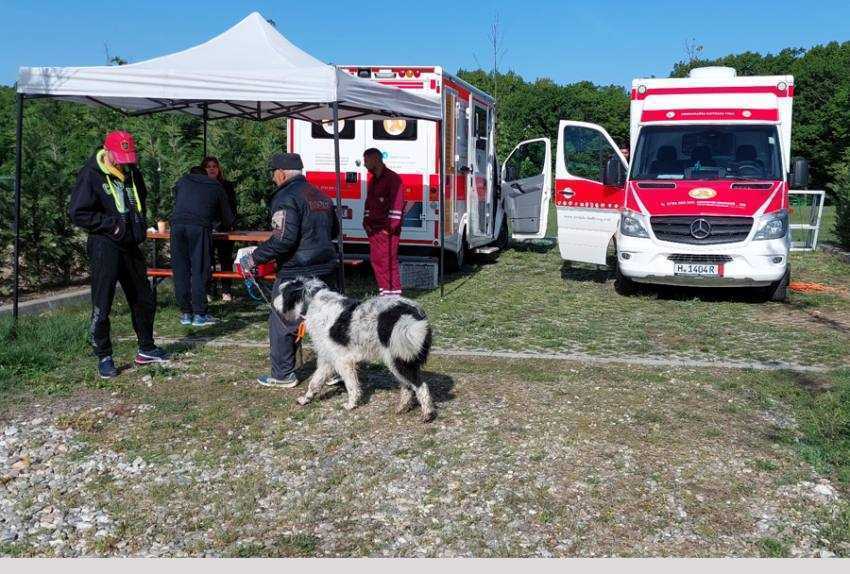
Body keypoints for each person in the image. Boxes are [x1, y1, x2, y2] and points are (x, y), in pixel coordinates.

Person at [69, 131, 169, 379]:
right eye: (121, 157)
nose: (125, 161)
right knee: (103, 302)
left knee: (143, 297)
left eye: (129, 156)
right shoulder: (91, 174)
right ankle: (104, 356)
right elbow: (78, 212)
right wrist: (111, 225)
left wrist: (138, 224)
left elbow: (141, 198)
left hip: (131, 244)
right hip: (105, 245)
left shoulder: (133, 172)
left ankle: (146, 347)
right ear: (108, 151)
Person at [238, 153, 340, 388]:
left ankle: (283, 374)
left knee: (283, 322)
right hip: (325, 268)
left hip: (296, 270)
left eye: (274, 174)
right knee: (325, 321)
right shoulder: (320, 195)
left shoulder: (285, 197)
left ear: (281, 173)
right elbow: (333, 231)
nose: (274, 179)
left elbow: (283, 239)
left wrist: (254, 257)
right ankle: (333, 372)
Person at [170, 165, 235, 327]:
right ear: (205, 175)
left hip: (176, 226)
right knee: (199, 269)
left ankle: (185, 312)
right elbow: (227, 216)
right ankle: (200, 314)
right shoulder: (214, 185)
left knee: (180, 269)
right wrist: (226, 224)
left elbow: (177, 202)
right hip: (199, 227)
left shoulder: (182, 181)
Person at [362, 148, 404, 296]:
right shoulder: (373, 180)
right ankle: (384, 293)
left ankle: (393, 295)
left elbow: (397, 206)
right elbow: (369, 203)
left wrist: (389, 229)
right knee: (377, 262)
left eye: (366, 160)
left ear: (376, 159)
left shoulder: (393, 179)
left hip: (386, 231)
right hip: (374, 230)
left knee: (388, 263)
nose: (364, 164)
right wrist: (365, 222)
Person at [202, 156, 238, 302]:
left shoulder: (227, 185)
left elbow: (232, 207)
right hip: (206, 228)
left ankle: (226, 291)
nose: (212, 169)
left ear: (219, 169)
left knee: (225, 260)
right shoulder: (201, 186)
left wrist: (231, 223)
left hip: (224, 228)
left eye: (214, 166)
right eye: (208, 166)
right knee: (207, 260)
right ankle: (209, 291)